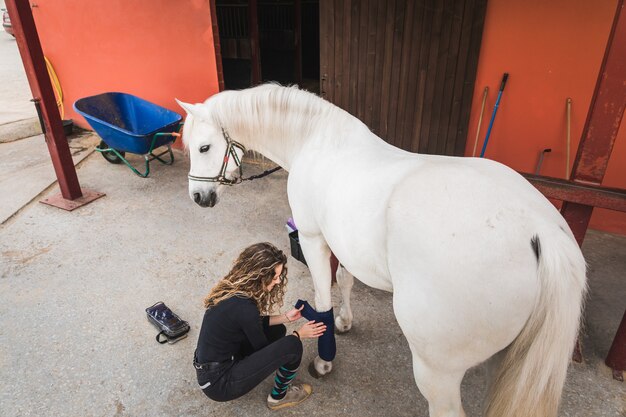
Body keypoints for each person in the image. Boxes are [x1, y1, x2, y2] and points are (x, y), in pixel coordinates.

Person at [194, 242, 327, 410]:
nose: (278, 281)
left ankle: (247, 366)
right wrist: (299, 334)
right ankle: (279, 397)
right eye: (275, 277)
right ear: (259, 276)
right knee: (292, 345)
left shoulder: (232, 291)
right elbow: (263, 350)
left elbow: (249, 322)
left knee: (277, 330)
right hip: (219, 384)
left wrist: (286, 317)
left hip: (214, 367)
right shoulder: (245, 308)